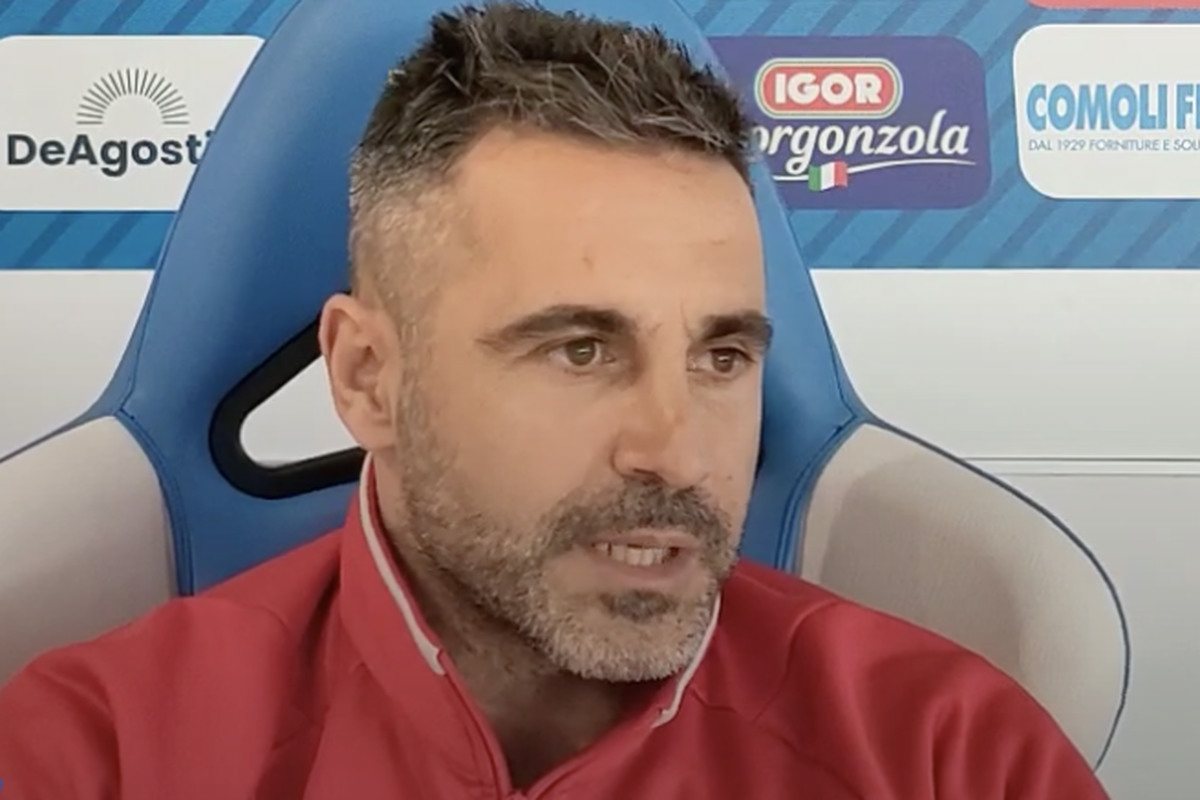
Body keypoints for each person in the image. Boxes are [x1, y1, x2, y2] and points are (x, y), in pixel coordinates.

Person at [0, 3, 1110, 798]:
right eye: (582, 350)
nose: (679, 451)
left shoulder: (948, 755)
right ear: (367, 376)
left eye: (722, 355)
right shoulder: (96, 753)